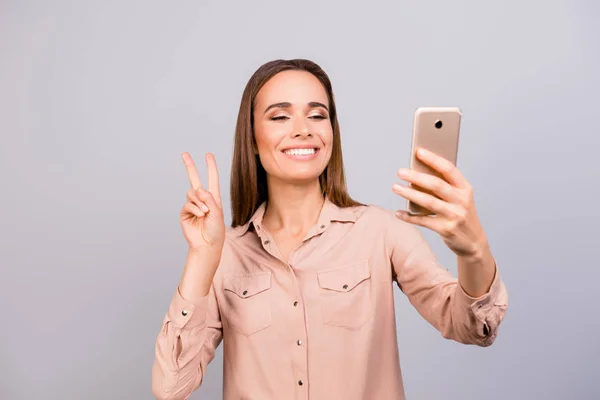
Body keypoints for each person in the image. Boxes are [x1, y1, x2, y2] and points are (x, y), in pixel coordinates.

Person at [151, 59, 508, 400]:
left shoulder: (380, 231)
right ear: (252, 141)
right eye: (280, 116)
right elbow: (171, 387)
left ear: (331, 133)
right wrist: (201, 258)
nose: (303, 129)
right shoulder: (224, 254)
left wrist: (474, 249)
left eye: (317, 115)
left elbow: (471, 325)